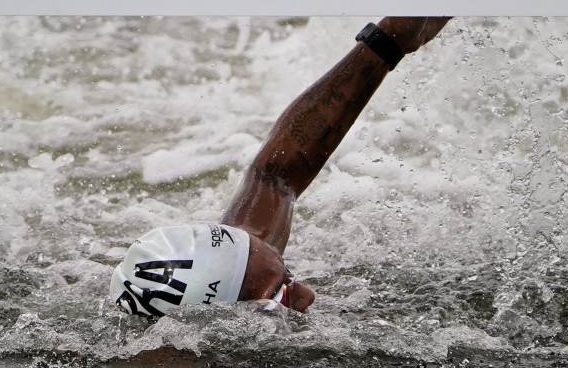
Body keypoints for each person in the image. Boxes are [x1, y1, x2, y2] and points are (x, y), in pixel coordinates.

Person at [109, 17, 452, 319]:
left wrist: (389, 40)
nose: (307, 295)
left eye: (286, 278)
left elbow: (275, 177)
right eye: (277, 294)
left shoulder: (236, 286)